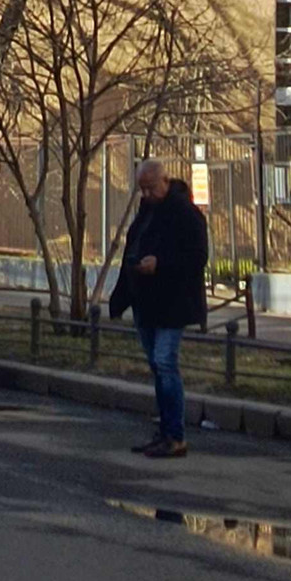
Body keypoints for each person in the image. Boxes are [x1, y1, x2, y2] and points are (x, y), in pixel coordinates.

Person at [107, 159, 209, 458]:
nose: (146, 194)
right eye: (142, 189)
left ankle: (175, 436)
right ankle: (165, 431)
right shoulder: (146, 212)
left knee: (165, 363)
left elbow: (197, 257)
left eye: (151, 187)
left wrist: (160, 264)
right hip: (146, 300)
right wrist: (121, 296)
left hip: (173, 302)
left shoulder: (185, 213)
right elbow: (133, 249)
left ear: (165, 181)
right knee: (157, 366)